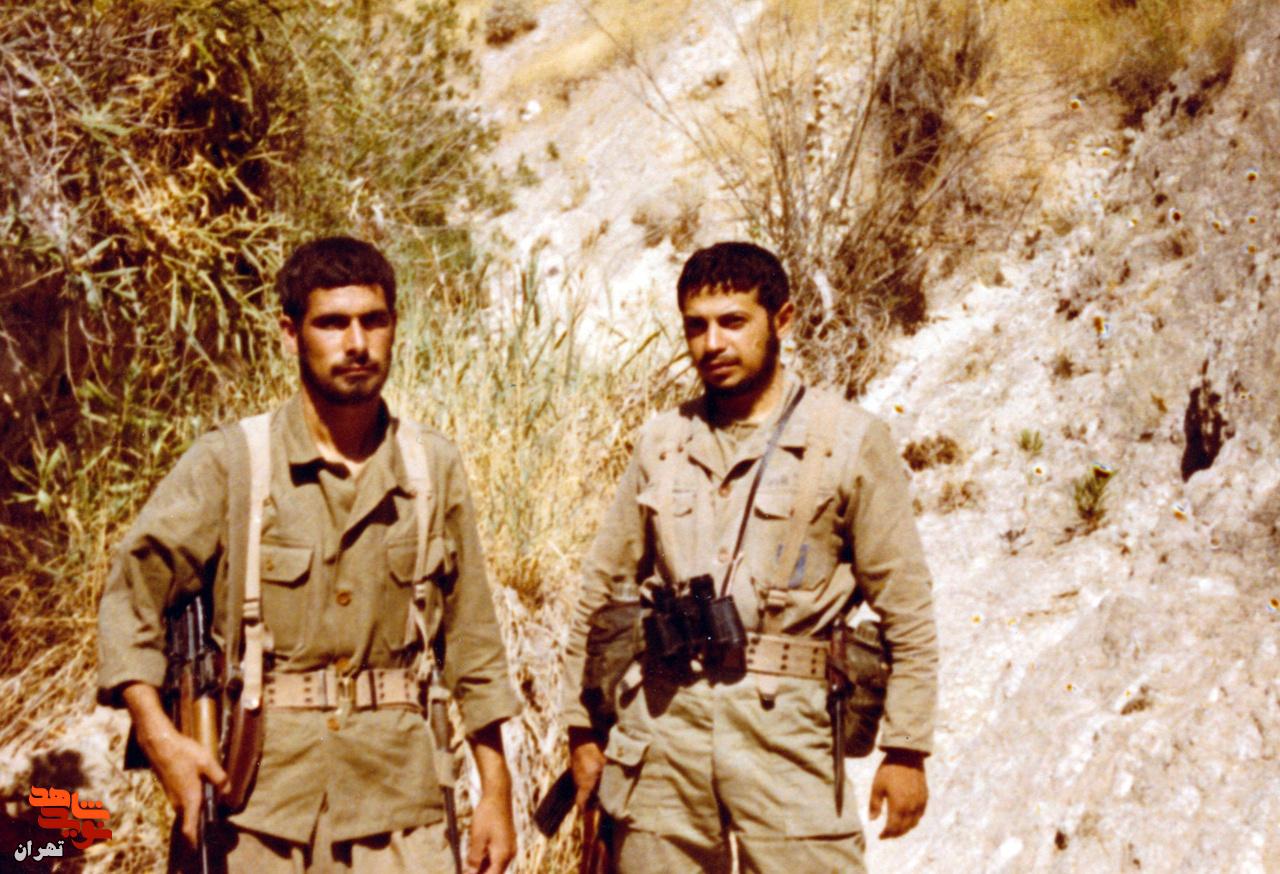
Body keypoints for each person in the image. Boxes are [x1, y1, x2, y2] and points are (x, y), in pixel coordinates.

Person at [97, 236, 520, 873]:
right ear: (290, 334)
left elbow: (473, 642)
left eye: (373, 320)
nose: (357, 343)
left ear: (394, 326)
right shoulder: (233, 463)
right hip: (257, 809)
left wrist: (496, 791)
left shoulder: (431, 468)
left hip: (399, 809)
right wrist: (163, 741)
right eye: (332, 323)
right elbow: (132, 595)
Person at [562, 241, 939, 872]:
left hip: (789, 734)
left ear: (782, 319)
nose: (712, 343)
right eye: (696, 326)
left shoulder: (848, 440)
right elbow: (603, 590)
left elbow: (906, 608)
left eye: (733, 322)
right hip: (665, 727)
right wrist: (582, 730)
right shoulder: (663, 441)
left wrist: (906, 750)